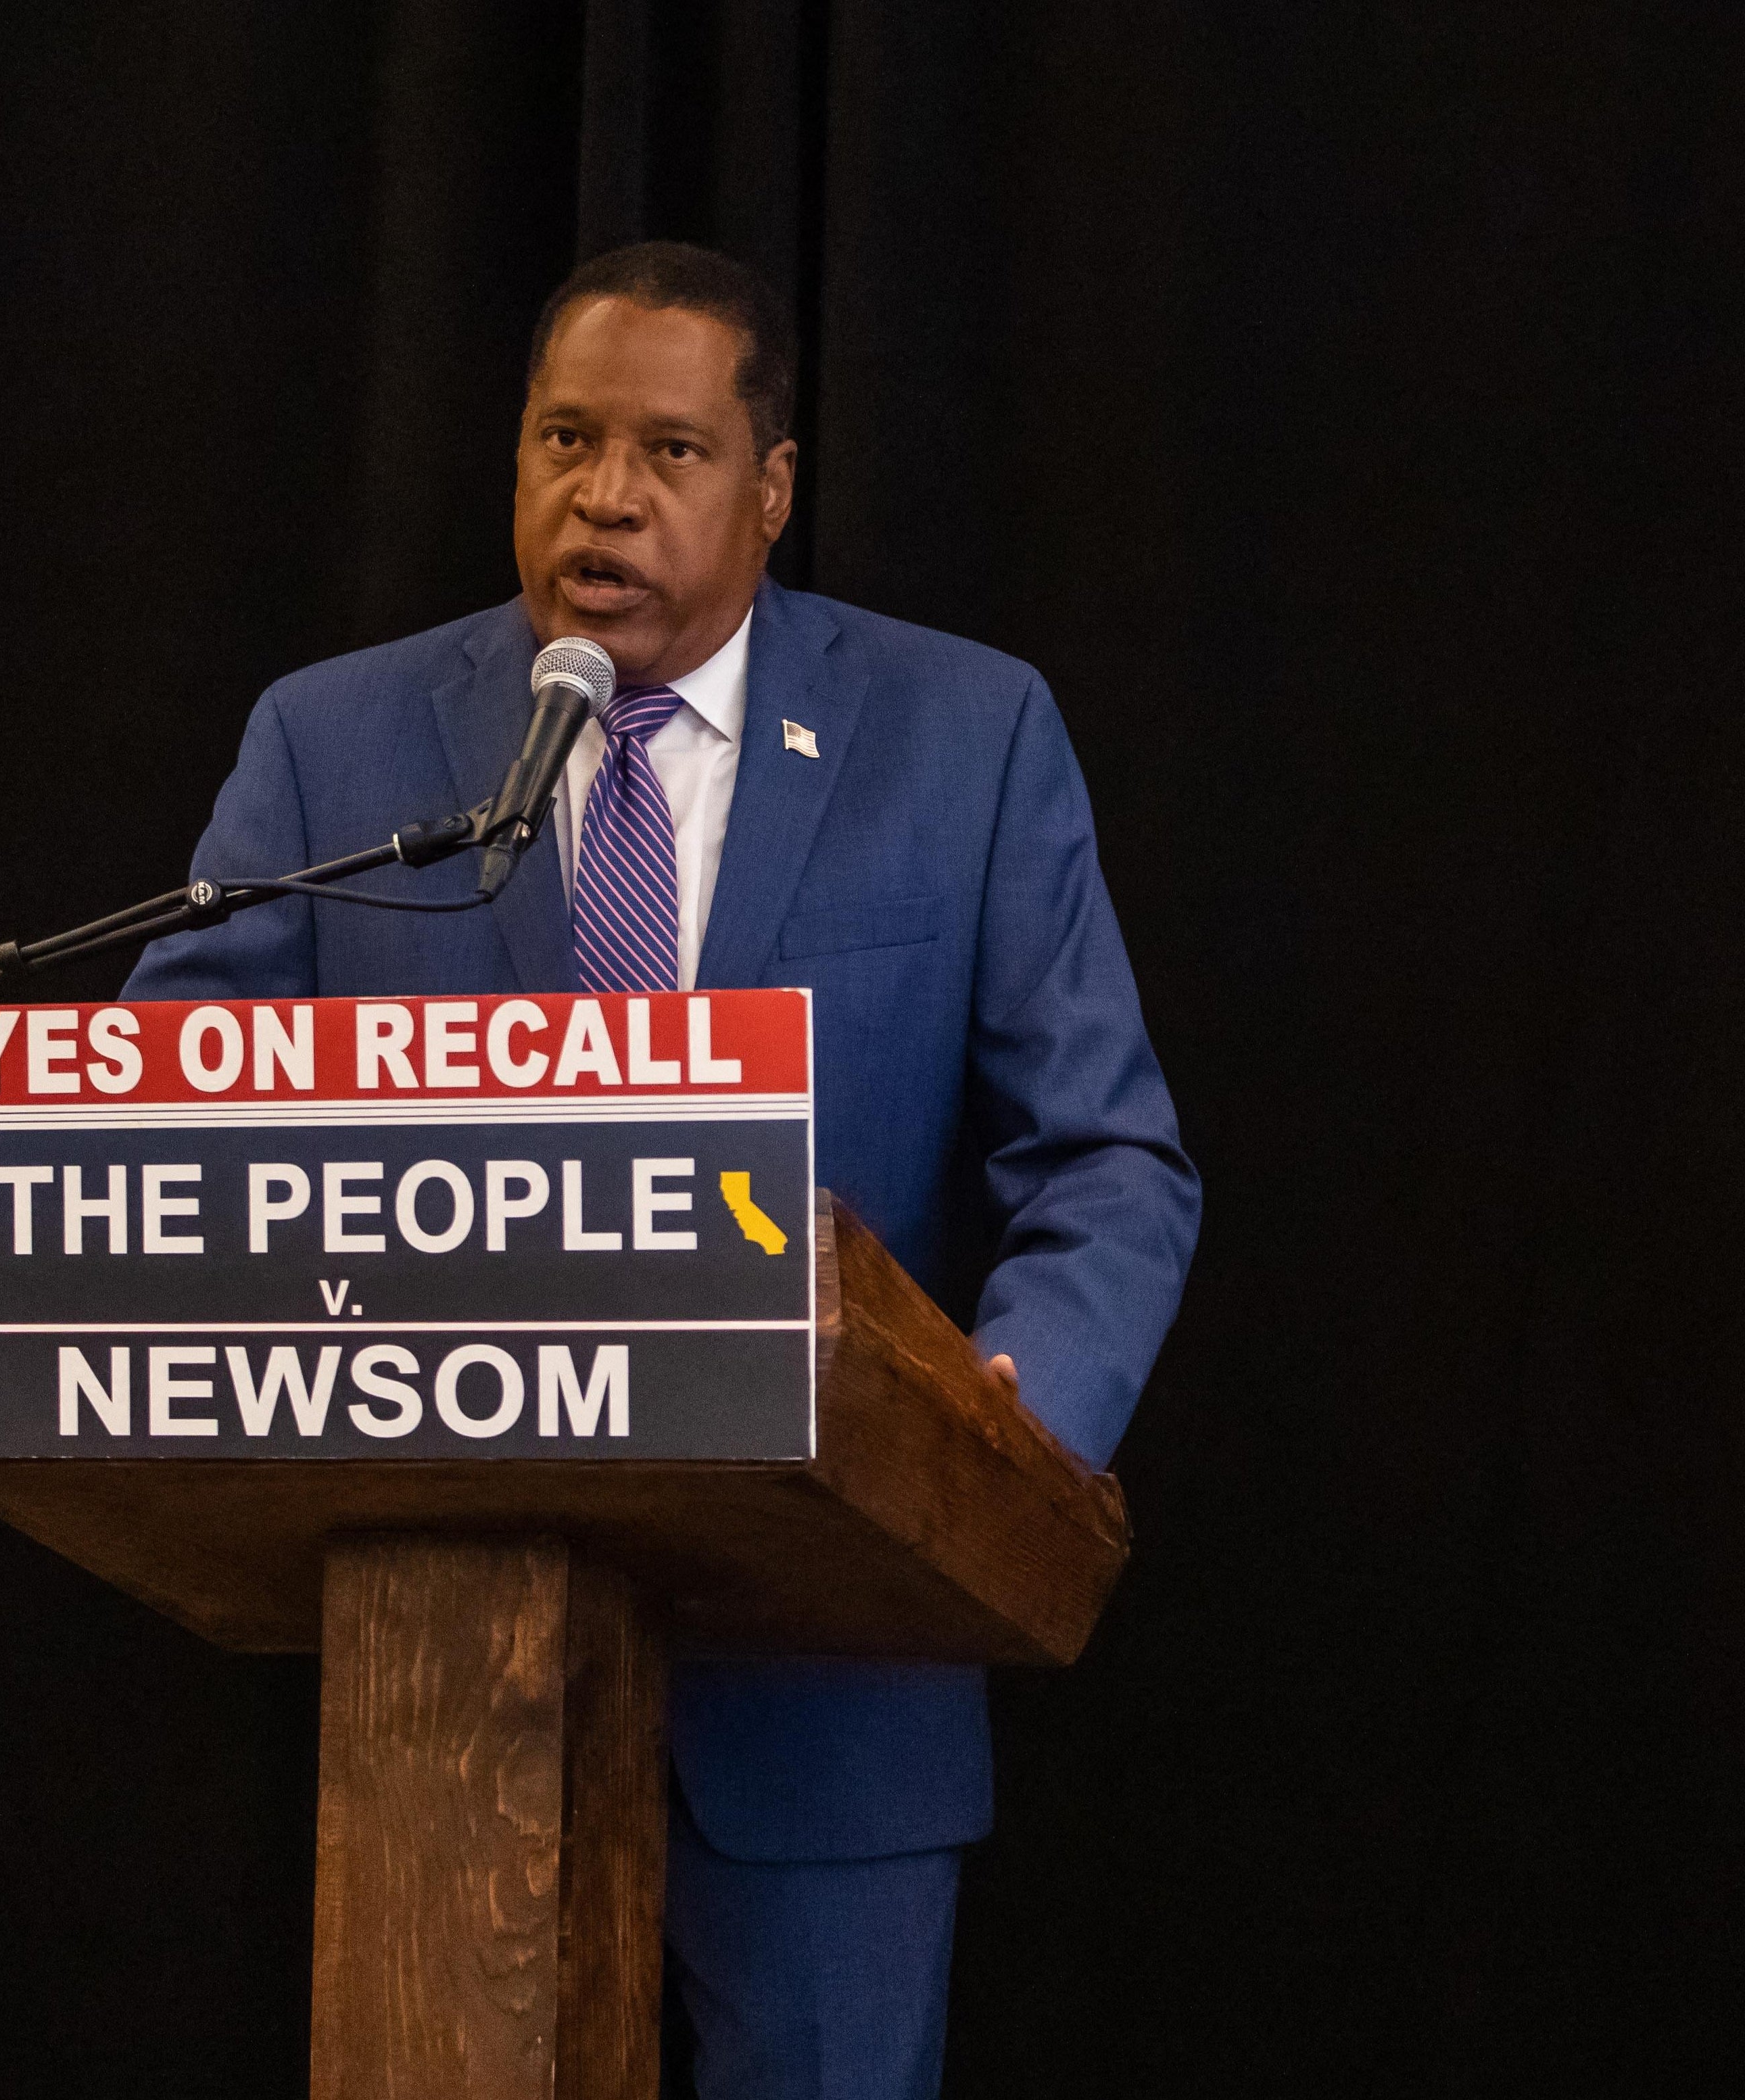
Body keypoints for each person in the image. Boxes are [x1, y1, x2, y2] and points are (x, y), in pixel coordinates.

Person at [126, 241, 1201, 2099]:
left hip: (832, 1686)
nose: (605, 492)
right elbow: (170, 1101)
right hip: (446, 1697)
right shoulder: (341, 743)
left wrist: (1015, 1418)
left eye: (670, 450)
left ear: (769, 489)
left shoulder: (962, 738)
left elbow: (1108, 1154)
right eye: (564, 436)